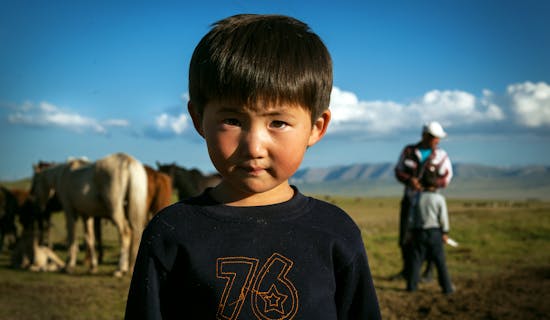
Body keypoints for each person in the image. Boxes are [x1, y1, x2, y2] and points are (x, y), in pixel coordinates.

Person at [125, 14, 381, 319]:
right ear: (198, 120)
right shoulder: (170, 233)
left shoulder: (335, 232)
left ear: (316, 127)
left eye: (278, 123)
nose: (254, 147)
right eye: (232, 121)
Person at [393, 121, 453, 281]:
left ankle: (429, 272)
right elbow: (398, 171)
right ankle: (408, 270)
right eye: (435, 137)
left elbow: (446, 178)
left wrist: (430, 185)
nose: (437, 141)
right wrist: (409, 180)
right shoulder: (409, 151)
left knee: (431, 236)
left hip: (430, 203)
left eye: (439, 138)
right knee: (406, 235)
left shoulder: (441, 156)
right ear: (425, 136)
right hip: (410, 200)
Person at [405, 169, 454, 294]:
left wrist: (409, 232)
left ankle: (412, 287)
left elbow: (411, 217)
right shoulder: (439, 198)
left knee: (416, 261)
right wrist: (445, 232)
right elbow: (443, 217)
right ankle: (447, 288)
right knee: (440, 261)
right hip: (434, 233)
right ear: (435, 184)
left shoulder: (416, 198)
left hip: (418, 232)